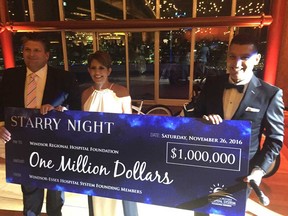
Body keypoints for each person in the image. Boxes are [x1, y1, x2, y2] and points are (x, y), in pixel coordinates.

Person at [185, 34, 284, 215]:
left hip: (241, 174)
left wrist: (259, 170)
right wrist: (202, 122)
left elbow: (275, 139)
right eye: (232, 56)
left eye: (244, 57)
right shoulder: (212, 84)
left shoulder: (270, 94)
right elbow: (195, 118)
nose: (236, 63)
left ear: (257, 59)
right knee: (200, 211)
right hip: (206, 164)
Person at [0, 32, 81, 216]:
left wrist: (63, 112)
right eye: (27, 49)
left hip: (56, 144)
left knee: (55, 193)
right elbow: (1, 105)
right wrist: (0, 126)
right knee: (29, 192)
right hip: (22, 143)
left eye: (37, 50)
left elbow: (76, 109)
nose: (31, 54)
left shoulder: (65, 78)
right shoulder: (10, 76)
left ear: (46, 55)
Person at [81, 51, 138, 216]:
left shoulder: (121, 92)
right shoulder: (85, 94)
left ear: (109, 71)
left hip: (119, 152)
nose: (97, 72)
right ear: (88, 70)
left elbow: (129, 126)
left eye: (101, 68)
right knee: (97, 197)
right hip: (93, 153)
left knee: (124, 196)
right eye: (93, 68)